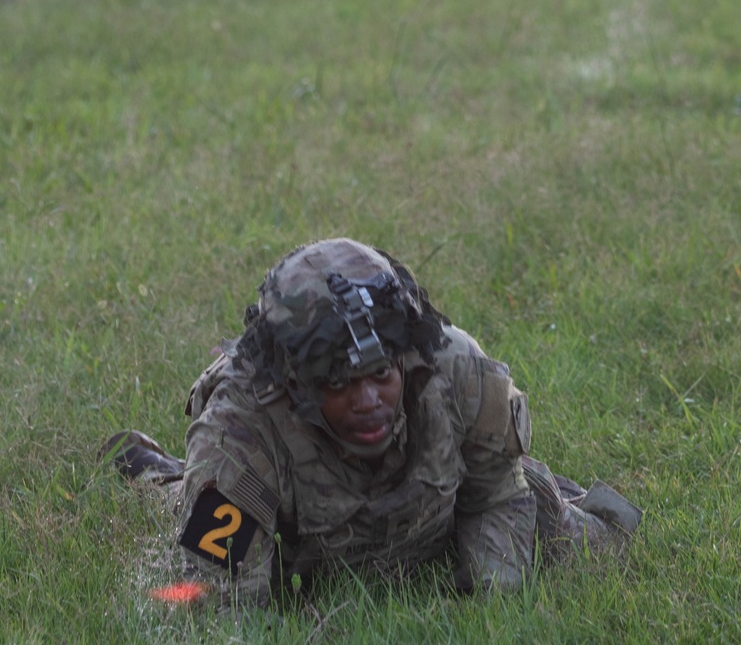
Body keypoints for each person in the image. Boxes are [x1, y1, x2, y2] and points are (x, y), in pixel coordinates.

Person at [105, 238, 641, 606]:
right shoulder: (237, 431)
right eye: (339, 382)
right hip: (300, 546)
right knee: (198, 525)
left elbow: (498, 493)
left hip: (432, 517)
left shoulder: (456, 369)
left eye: (381, 373)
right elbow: (226, 606)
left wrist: (491, 598)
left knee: (588, 541)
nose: (368, 401)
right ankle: (161, 475)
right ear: (296, 382)